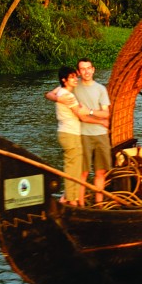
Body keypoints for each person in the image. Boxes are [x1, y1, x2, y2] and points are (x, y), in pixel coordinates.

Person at [44, 67, 105, 205]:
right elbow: (82, 116)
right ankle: (72, 200)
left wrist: (54, 96)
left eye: (75, 77)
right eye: (72, 77)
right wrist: (101, 121)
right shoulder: (68, 96)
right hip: (70, 134)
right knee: (74, 169)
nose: (75, 79)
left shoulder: (61, 91)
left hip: (66, 133)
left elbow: (50, 93)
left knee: (73, 167)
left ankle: (66, 198)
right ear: (64, 80)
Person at [73, 58, 112, 203]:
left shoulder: (101, 89)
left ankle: (99, 204)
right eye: (83, 69)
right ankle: (81, 204)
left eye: (88, 68)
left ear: (93, 69)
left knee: (100, 172)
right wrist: (98, 116)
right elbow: (79, 114)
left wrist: (89, 111)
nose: (86, 71)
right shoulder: (75, 88)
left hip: (101, 135)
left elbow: (106, 113)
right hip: (83, 135)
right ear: (78, 72)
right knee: (83, 172)